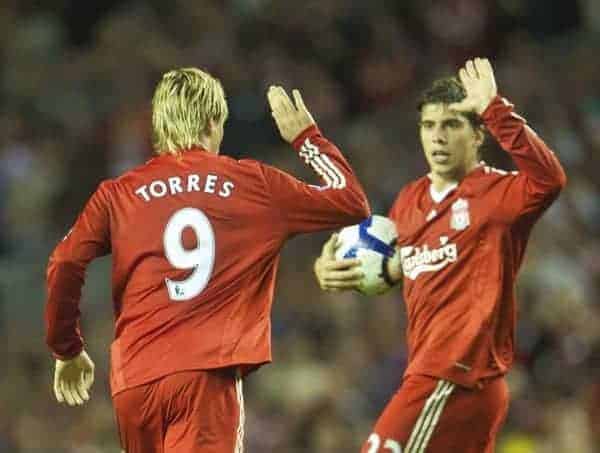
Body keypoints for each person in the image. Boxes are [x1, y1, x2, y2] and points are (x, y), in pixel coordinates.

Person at [45, 67, 370, 452]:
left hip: (135, 384)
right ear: (215, 121)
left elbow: (64, 262)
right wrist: (305, 137)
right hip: (205, 376)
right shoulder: (253, 183)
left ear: (160, 126)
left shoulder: (118, 194)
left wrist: (66, 348)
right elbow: (350, 200)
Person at [314, 58, 566, 452]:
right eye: (429, 126)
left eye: (452, 125)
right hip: (443, 378)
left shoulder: (497, 196)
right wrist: (331, 270)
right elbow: (398, 267)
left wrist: (496, 109)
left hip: (456, 375)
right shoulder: (408, 201)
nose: (438, 137)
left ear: (478, 133)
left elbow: (550, 179)